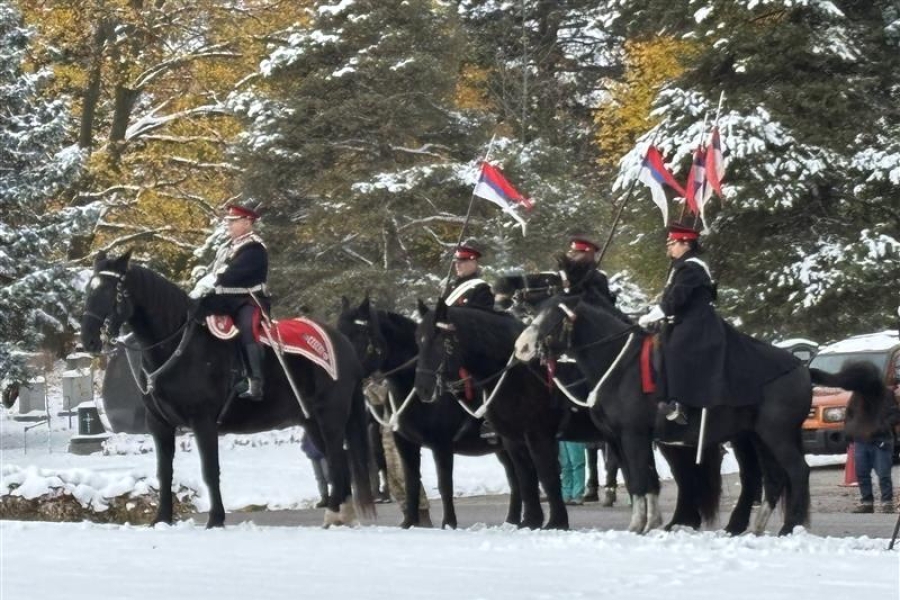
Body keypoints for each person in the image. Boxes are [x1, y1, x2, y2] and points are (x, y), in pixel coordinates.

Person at [638, 223, 725, 425]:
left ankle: (679, 401)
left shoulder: (691, 268)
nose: (669, 247)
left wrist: (652, 316)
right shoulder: (682, 267)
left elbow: (675, 300)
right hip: (683, 321)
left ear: (686, 244)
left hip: (698, 325)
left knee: (675, 349)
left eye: (672, 243)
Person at [201, 204, 270, 400]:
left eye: (233, 221)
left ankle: (255, 380)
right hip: (223, 300)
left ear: (248, 222)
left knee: (247, 328)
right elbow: (216, 272)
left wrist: (213, 282)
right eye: (228, 221)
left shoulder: (254, 248)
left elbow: (231, 274)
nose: (228, 225)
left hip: (247, 300)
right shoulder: (227, 247)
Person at [563, 233, 617, 307]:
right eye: (573, 248)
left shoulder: (598, 278)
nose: (572, 252)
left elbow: (603, 305)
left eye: (580, 249)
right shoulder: (563, 272)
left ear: (591, 253)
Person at [442, 240, 495, 310]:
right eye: (456, 262)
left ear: (473, 264)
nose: (457, 265)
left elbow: (482, 318)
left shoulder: (482, 289)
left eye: (461, 262)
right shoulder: (451, 286)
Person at [301, 432, 329, 508]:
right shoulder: (309, 427)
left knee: (328, 475)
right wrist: (306, 449)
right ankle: (324, 497)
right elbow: (304, 440)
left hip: (324, 454)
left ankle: (337, 495)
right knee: (319, 477)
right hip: (313, 455)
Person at [558, 440, 587, 505]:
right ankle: (566, 494)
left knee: (577, 463)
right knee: (565, 465)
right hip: (560, 433)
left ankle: (577, 494)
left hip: (575, 433)